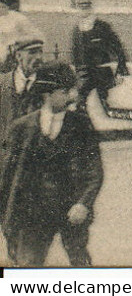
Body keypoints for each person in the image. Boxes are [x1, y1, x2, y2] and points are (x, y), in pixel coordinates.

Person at [0, 63, 103, 266]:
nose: (72, 96)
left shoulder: (81, 125)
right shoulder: (21, 128)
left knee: (80, 264)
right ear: (47, 94)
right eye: (65, 91)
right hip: (33, 214)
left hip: (71, 210)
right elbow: (8, 175)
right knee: (28, 266)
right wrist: (7, 216)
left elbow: (94, 170)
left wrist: (83, 203)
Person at [69, 3, 132, 122]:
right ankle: (82, 125)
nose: (83, 11)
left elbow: (116, 45)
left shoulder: (102, 27)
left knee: (103, 101)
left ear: (91, 9)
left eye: (86, 8)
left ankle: (130, 116)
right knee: (81, 101)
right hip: (85, 71)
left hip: (101, 70)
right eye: (81, 8)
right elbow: (75, 51)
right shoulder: (77, 29)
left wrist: (121, 65)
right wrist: (76, 67)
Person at [0, 39, 45, 132]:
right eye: (32, 53)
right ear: (18, 56)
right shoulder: (3, 82)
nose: (39, 57)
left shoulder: (45, 82)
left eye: (40, 52)